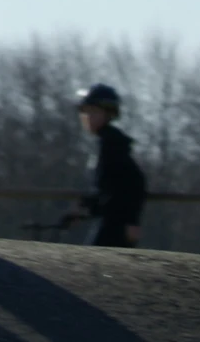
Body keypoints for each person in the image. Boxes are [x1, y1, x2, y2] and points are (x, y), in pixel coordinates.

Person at [62, 82, 148, 247]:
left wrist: (132, 221)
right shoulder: (105, 142)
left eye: (93, 112)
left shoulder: (111, 144)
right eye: (85, 112)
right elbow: (103, 186)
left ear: (108, 114)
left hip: (116, 223)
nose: (87, 117)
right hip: (111, 220)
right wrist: (83, 207)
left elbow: (134, 183)